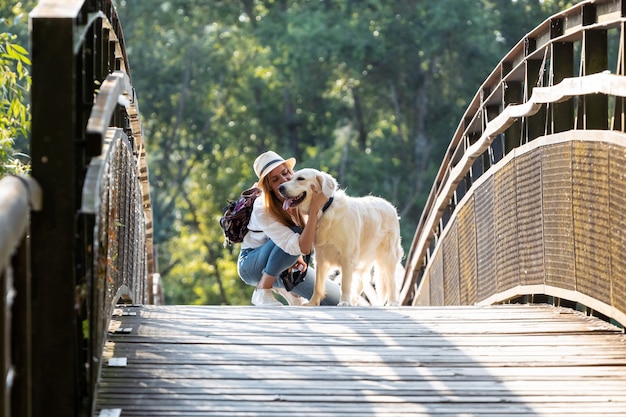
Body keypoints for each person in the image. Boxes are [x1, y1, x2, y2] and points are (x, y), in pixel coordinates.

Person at [237, 150, 341, 306]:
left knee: (335, 300)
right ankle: (262, 290)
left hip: (286, 261)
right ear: (269, 187)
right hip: (252, 265)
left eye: (286, 173)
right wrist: (314, 210)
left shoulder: (298, 190)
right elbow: (302, 246)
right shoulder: (262, 208)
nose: (284, 180)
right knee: (296, 235)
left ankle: (284, 286)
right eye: (275, 179)